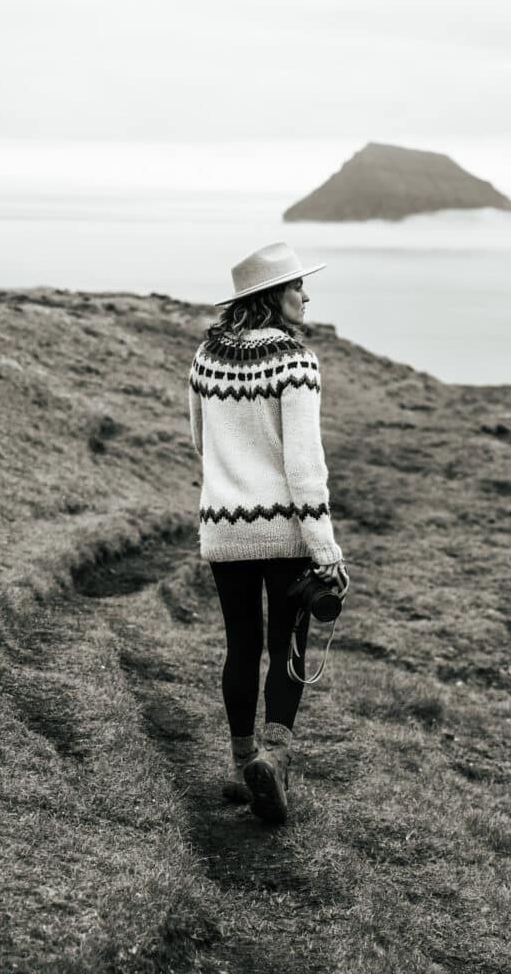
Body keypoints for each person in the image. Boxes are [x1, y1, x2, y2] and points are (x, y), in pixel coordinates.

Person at [188, 241, 348, 825]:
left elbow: (201, 442)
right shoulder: (296, 363)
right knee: (289, 646)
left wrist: (233, 482)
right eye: (296, 287)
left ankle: (241, 766)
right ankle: (275, 761)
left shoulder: (206, 357)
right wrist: (324, 548)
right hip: (283, 533)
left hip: (224, 530)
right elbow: (305, 469)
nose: (306, 295)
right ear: (272, 297)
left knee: (241, 647)